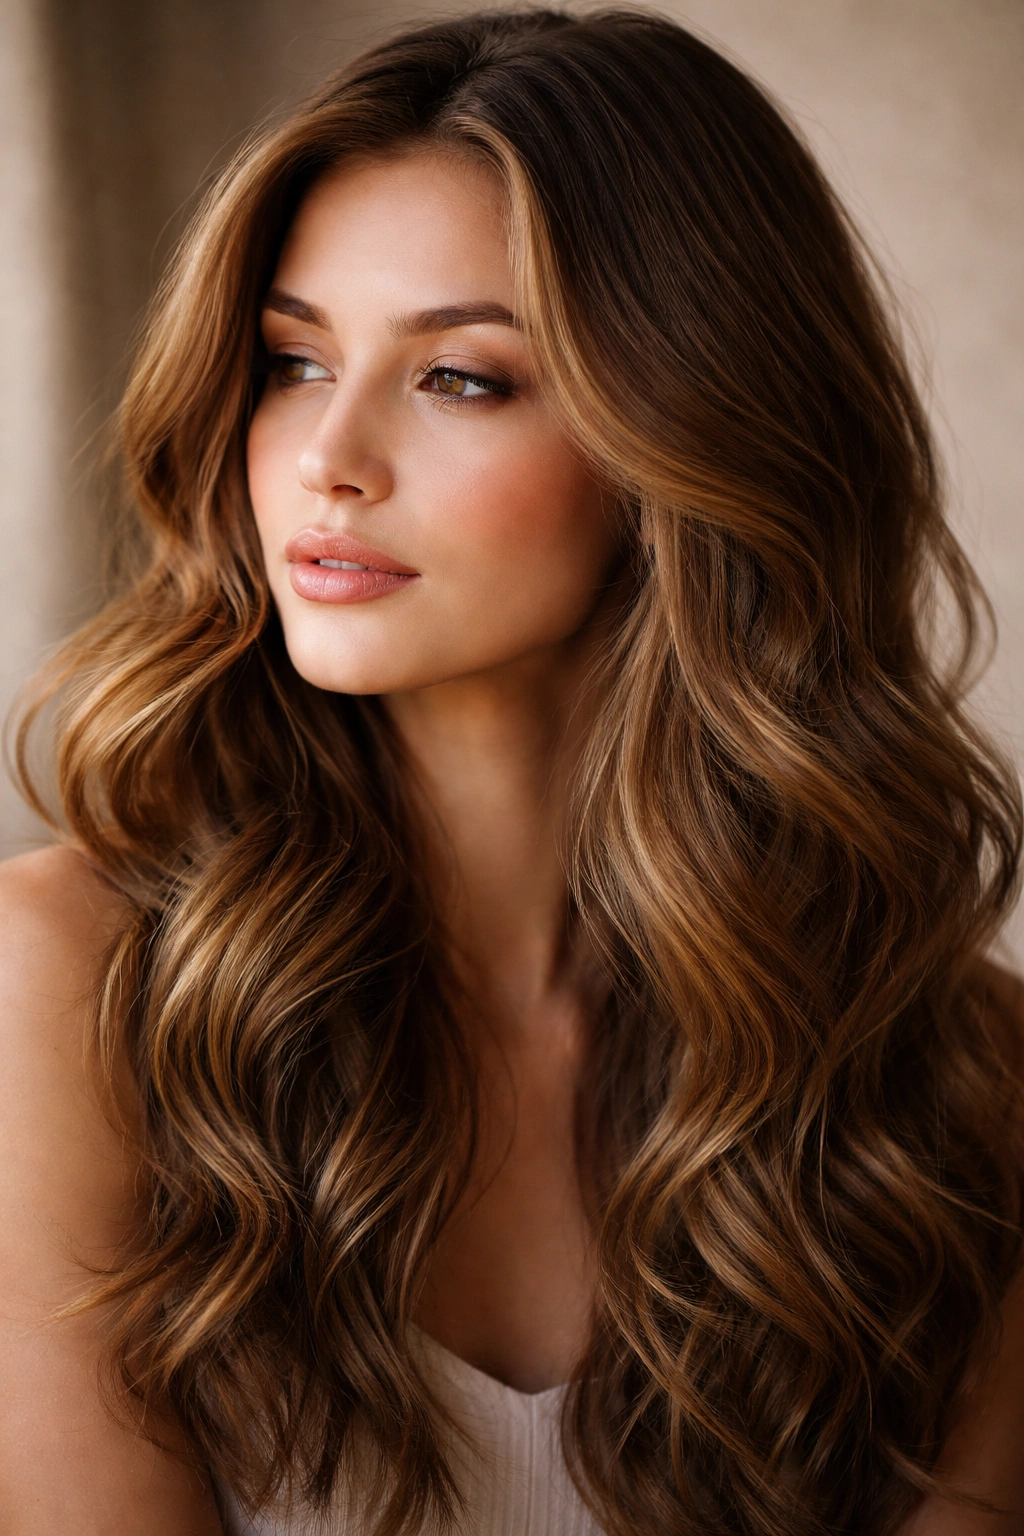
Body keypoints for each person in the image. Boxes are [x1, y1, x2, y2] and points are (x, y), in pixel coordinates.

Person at [0, 9, 1021, 1534]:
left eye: (463, 379)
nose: (326, 458)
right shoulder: (62, 987)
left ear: (686, 443)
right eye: (290, 360)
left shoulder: (954, 1078)